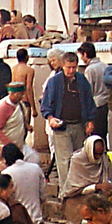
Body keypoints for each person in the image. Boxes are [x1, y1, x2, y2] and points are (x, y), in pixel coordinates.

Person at [40, 50, 94, 180]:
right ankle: (66, 192)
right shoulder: (54, 82)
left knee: (79, 160)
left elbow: (89, 101)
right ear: (63, 66)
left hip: (79, 125)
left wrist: (90, 121)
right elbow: (46, 104)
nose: (71, 71)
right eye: (68, 68)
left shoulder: (82, 80)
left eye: (73, 68)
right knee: (64, 162)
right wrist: (50, 118)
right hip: (61, 127)